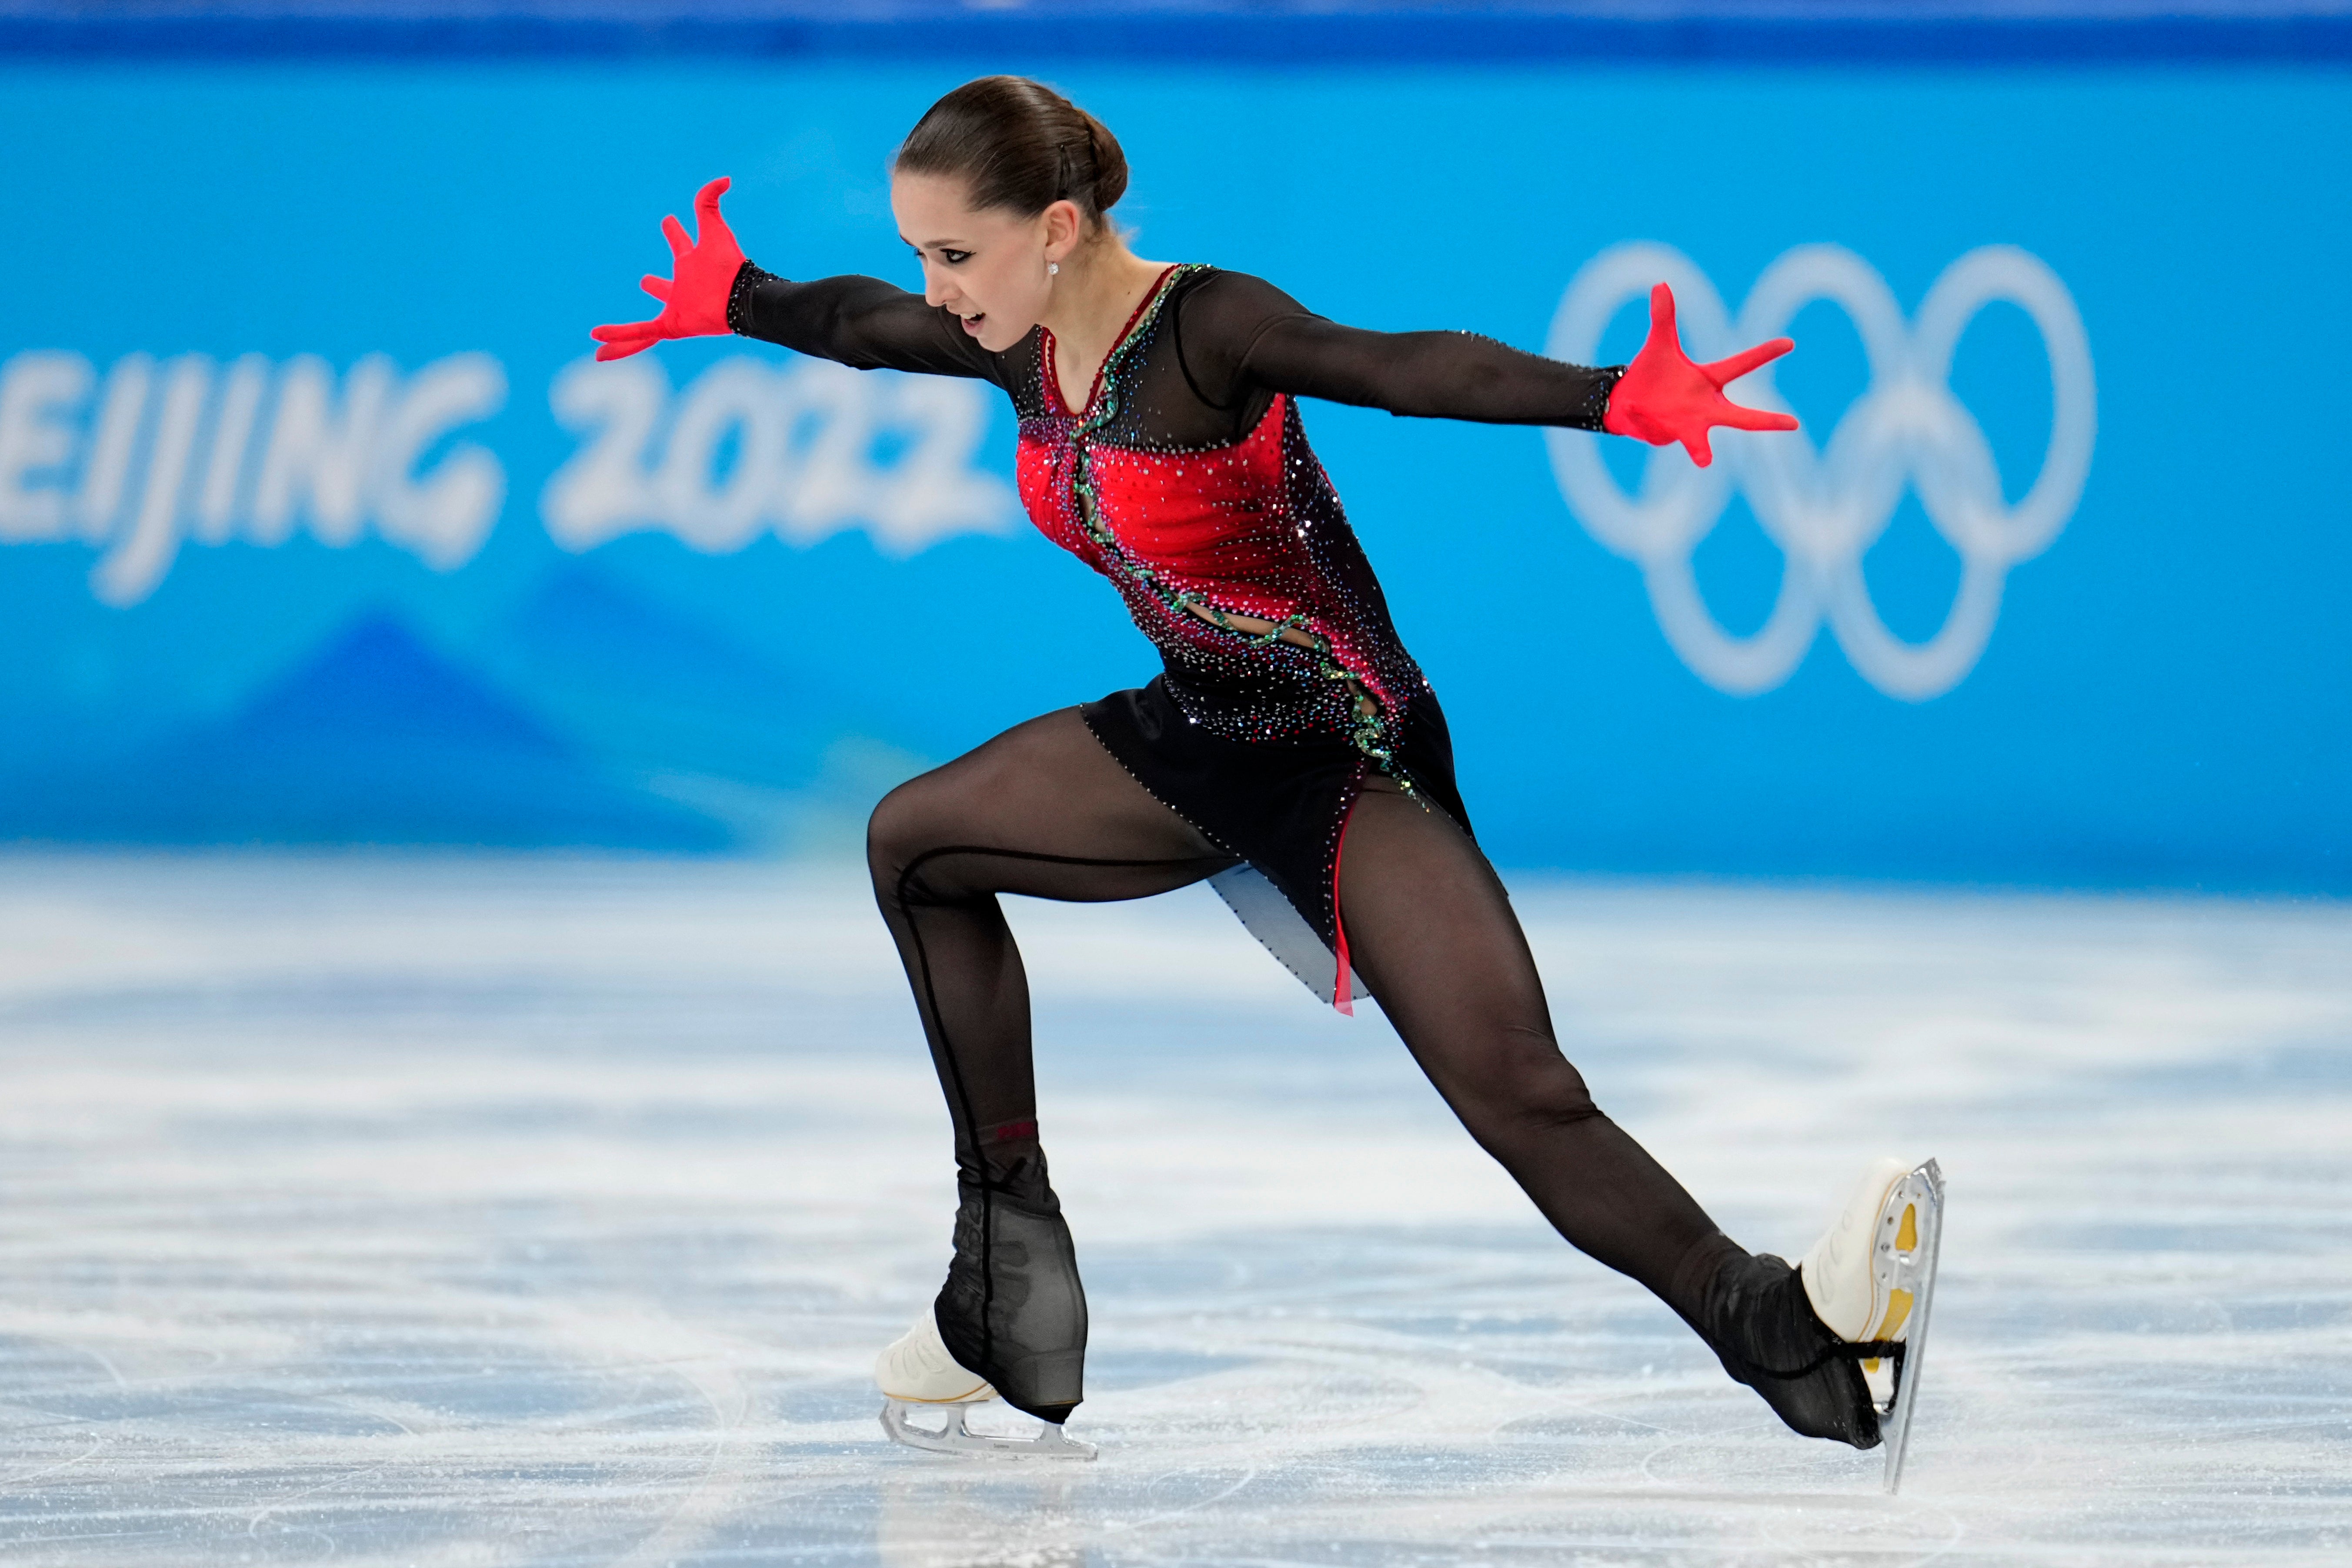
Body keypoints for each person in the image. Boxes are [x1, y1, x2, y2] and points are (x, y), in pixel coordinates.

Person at [593, 75, 1941, 1471]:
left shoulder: (1207, 327)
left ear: (1056, 226)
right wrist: (741, 296)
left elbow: (1409, 369)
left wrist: (1609, 397)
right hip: (1191, 734)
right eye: (922, 252)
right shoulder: (1015, 339)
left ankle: (1783, 1332)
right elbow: (862, 326)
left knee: (1517, 1088)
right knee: (913, 843)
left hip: (1342, 751)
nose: (932, 287)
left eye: (953, 253)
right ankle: (1002, 1284)